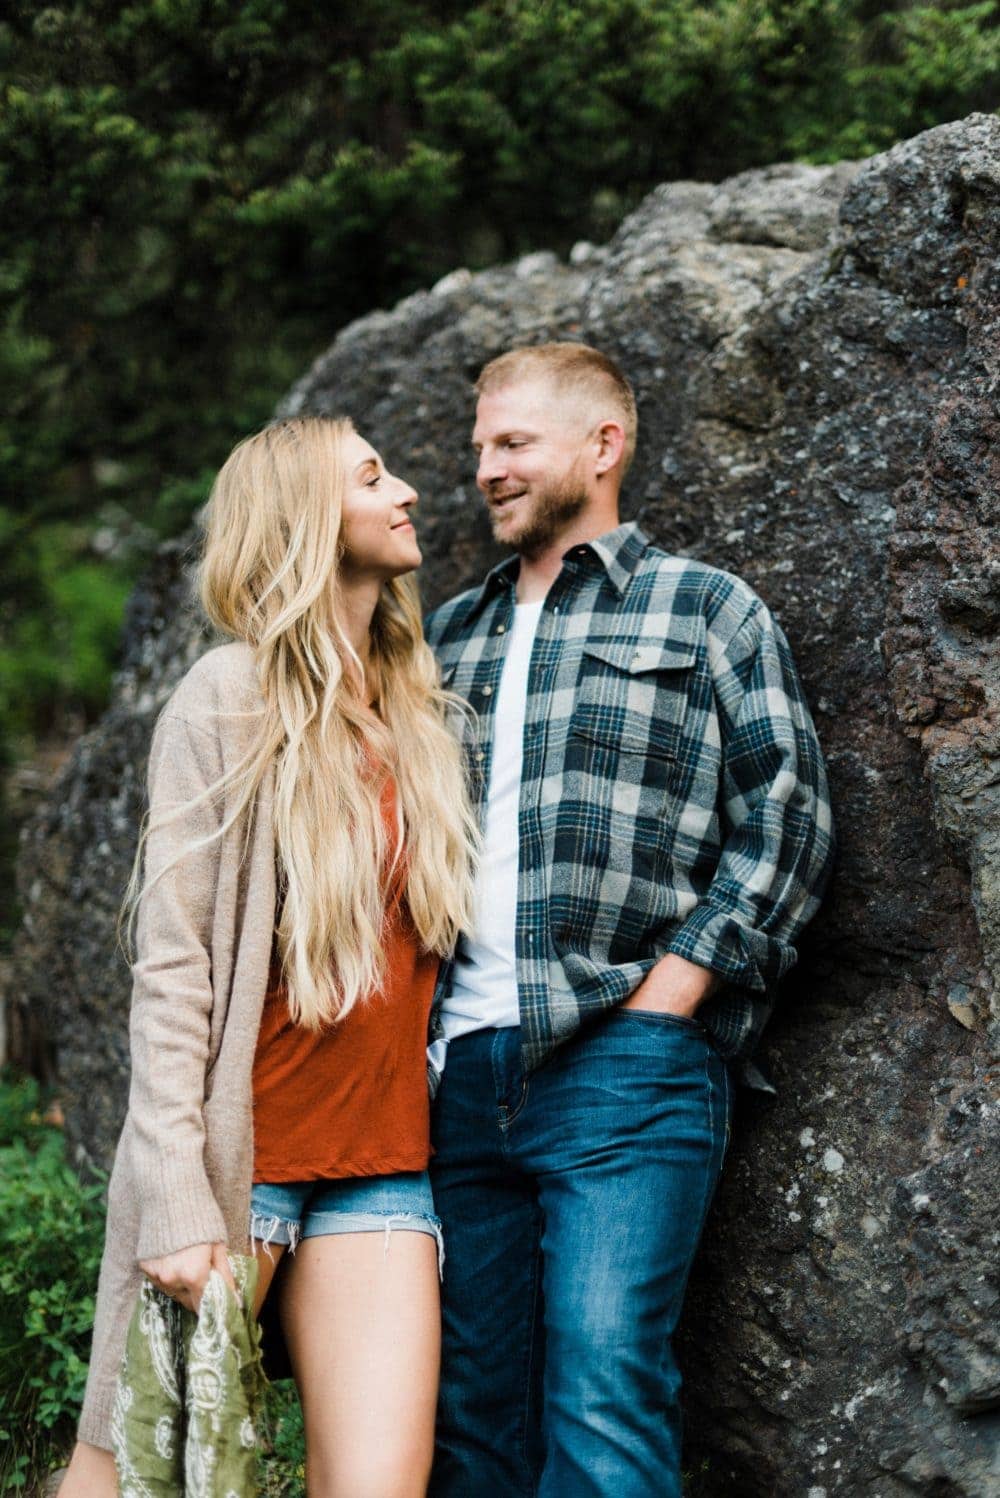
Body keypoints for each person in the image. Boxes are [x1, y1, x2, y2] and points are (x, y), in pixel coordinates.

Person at [423, 342, 836, 1497]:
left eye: (511, 444)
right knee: (468, 1411)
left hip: (621, 1059)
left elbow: (787, 823)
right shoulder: (448, 634)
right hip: (456, 1074)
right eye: (478, 450)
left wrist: (672, 994)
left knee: (605, 1383)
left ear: (603, 446)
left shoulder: (704, 608)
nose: (486, 472)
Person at [60, 416, 478, 1498]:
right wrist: (171, 1197)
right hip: (238, 1172)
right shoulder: (226, 698)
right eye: (373, 477)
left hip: (381, 1166)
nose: (409, 494)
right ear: (304, 517)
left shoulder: (416, 711)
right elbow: (173, 968)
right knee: (131, 1478)